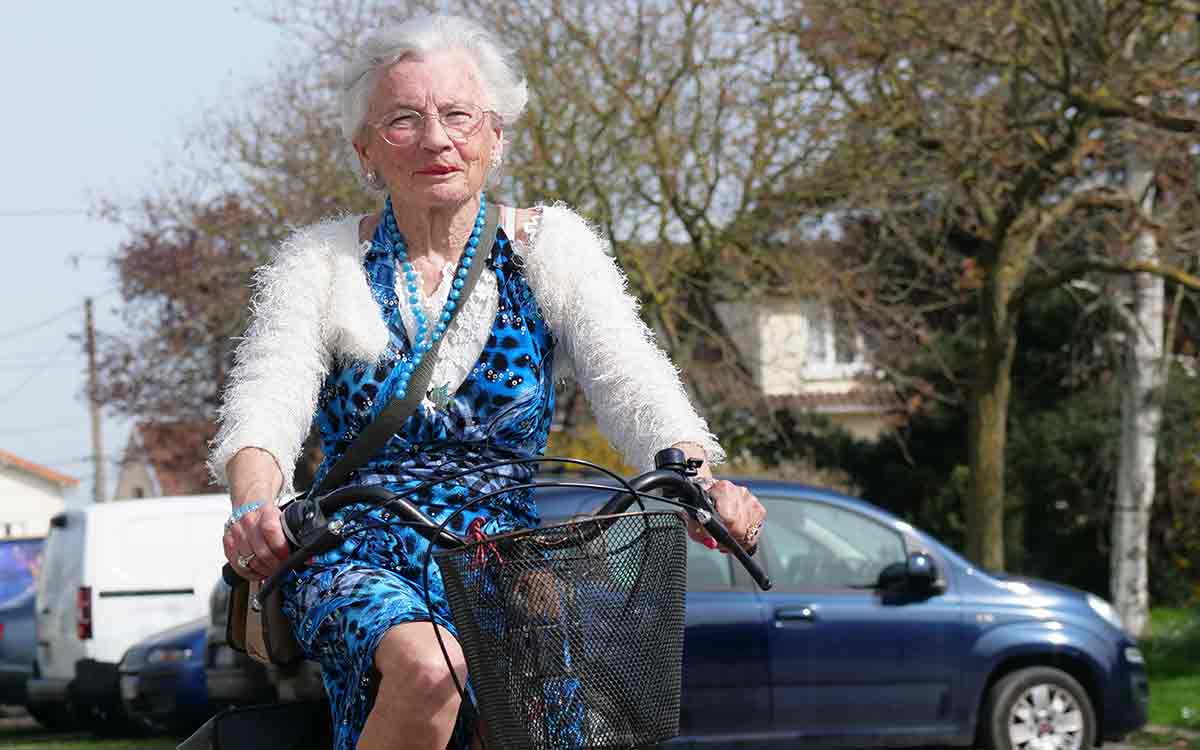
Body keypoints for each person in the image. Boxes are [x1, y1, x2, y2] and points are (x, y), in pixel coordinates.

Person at [209, 13, 766, 750]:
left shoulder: (550, 249)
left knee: (540, 724)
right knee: (429, 667)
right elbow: (266, 401)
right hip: (359, 546)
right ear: (365, 150)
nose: (437, 139)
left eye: (458, 115)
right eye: (403, 120)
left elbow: (633, 379)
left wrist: (696, 479)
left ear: (495, 136)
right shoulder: (321, 264)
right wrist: (257, 505)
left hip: (502, 555)